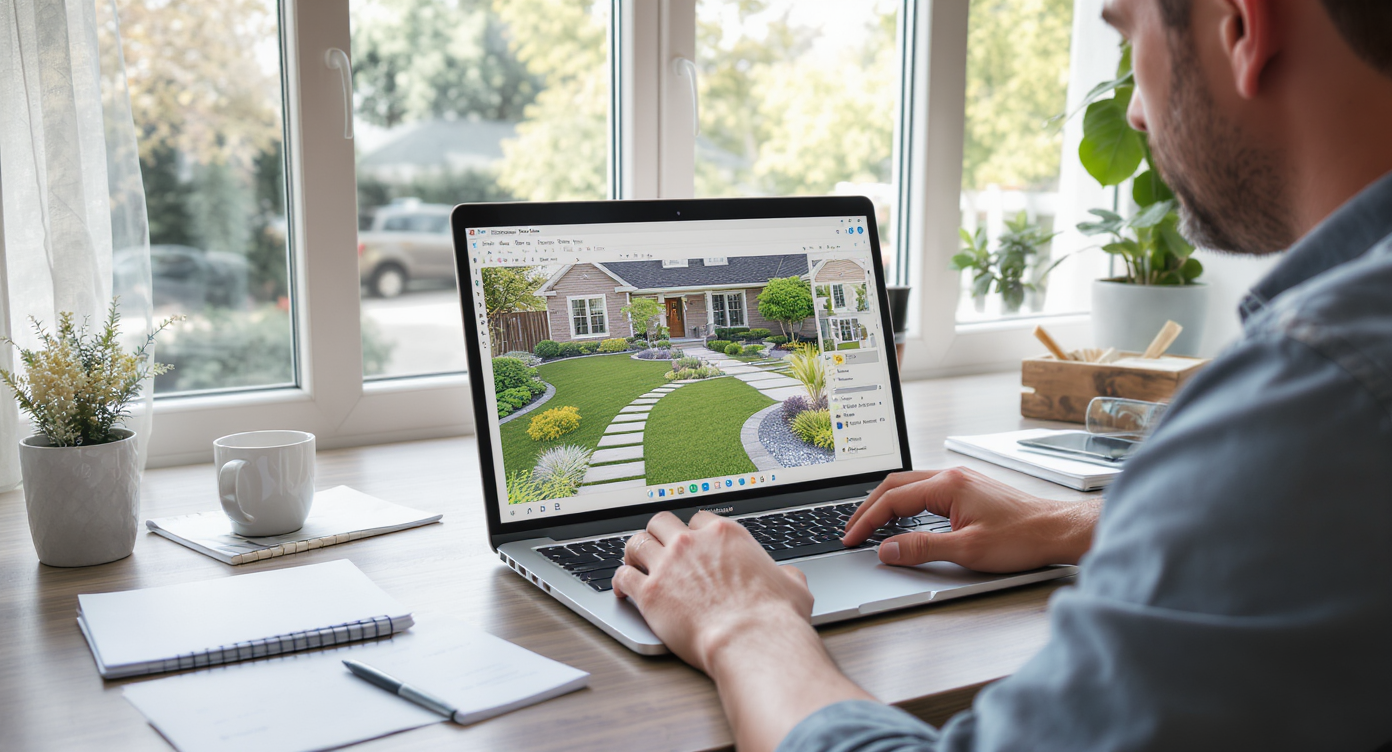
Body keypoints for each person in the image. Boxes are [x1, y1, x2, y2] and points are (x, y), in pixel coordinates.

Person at [611, 1, 1392, 750]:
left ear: (1242, 27)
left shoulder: (1324, 383)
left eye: (1128, 40)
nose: (1133, 114)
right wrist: (1079, 526)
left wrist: (744, 621)